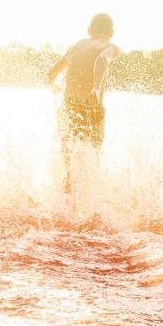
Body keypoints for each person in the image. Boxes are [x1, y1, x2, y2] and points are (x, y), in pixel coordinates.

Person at [47, 13, 122, 192]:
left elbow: (51, 74)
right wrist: (96, 86)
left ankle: (67, 190)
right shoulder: (111, 47)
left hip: (69, 103)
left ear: (89, 30)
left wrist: (55, 91)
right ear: (112, 32)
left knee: (68, 151)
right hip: (92, 105)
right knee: (94, 153)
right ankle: (91, 196)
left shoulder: (78, 45)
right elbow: (102, 59)